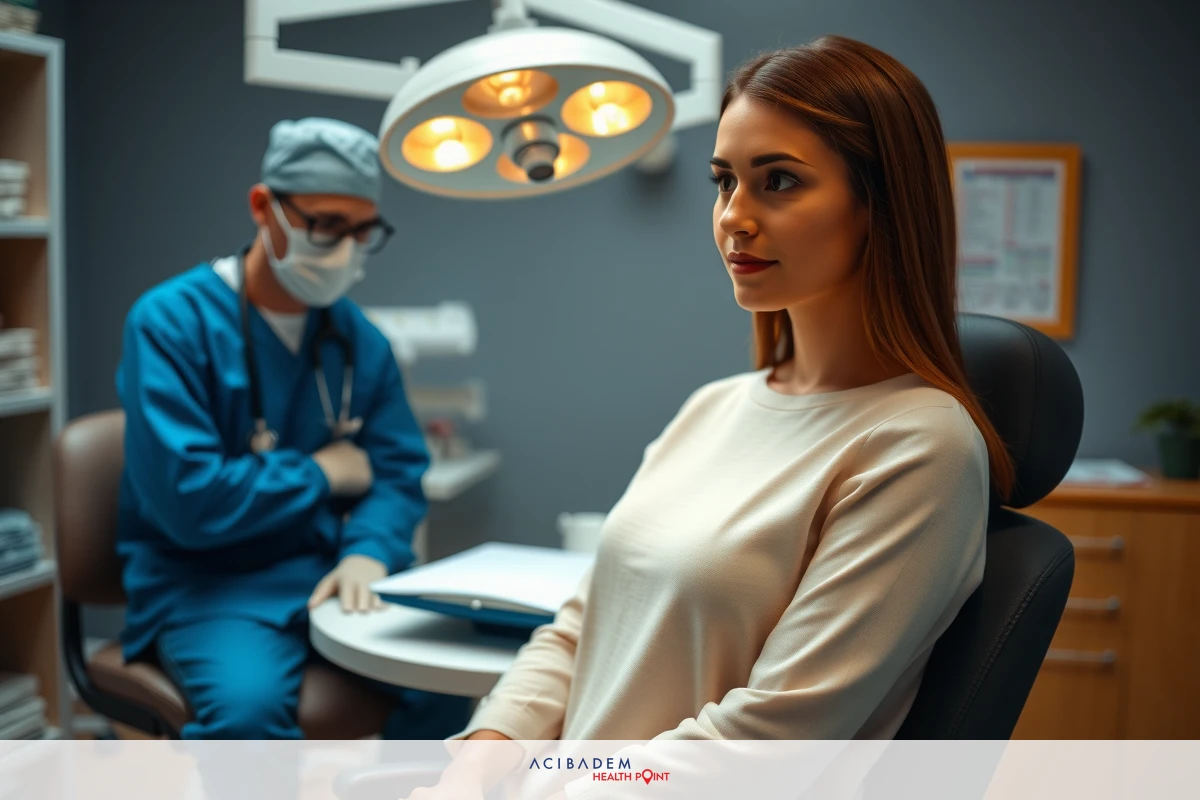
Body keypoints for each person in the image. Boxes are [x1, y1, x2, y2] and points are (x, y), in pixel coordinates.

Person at [410, 33, 1019, 798]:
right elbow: (583, 623)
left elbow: (762, 748)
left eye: (781, 182)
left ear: (880, 204)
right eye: (724, 181)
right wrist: (487, 754)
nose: (734, 217)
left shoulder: (919, 448)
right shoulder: (715, 406)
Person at [114, 116, 470, 740]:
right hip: (207, 589)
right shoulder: (170, 324)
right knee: (249, 719)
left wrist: (369, 551)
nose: (344, 248)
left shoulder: (359, 341)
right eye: (327, 225)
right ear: (263, 207)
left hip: (326, 576)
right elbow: (189, 501)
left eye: (363, 232)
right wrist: (318, 472)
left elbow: (396, 475)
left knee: (447, 687)